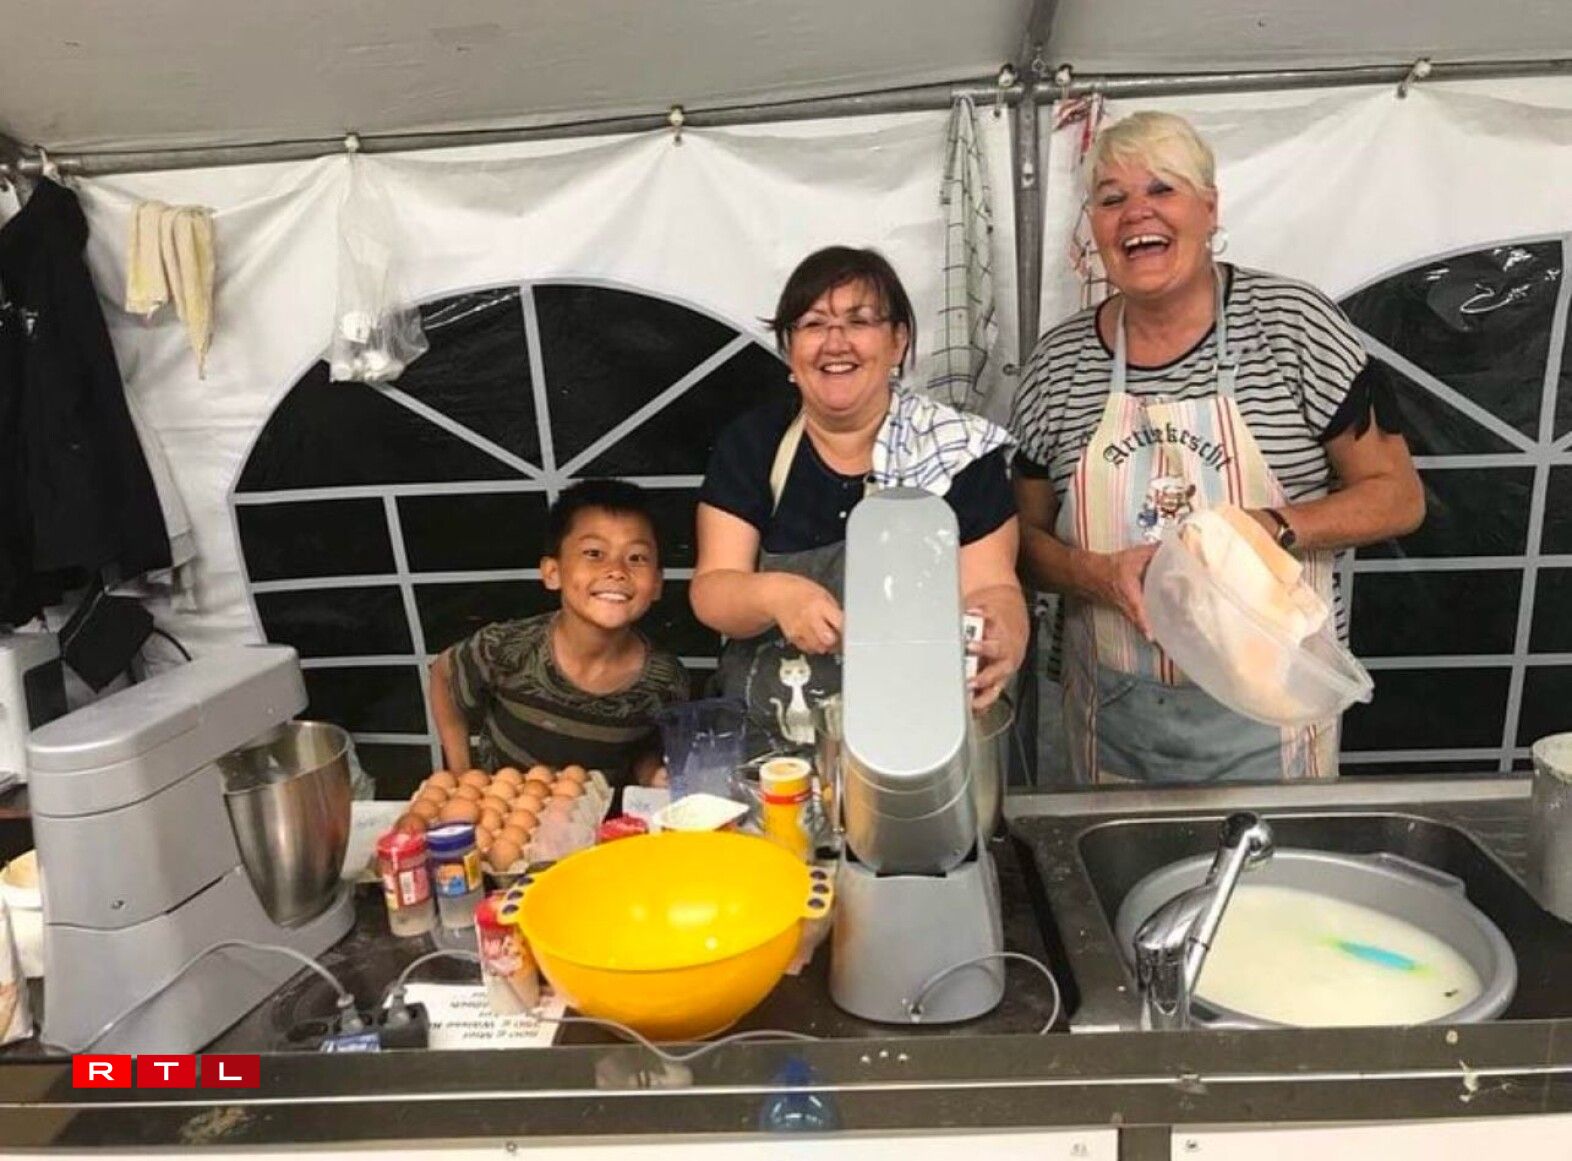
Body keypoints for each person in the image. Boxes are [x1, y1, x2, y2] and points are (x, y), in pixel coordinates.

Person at [1010, 111, 1425, 785]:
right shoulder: (1059, 365)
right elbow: (1019, 541)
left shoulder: (1292, 327)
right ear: (1093, 228)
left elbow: (1397, 497)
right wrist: (1095, 574)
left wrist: (1266, 529)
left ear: (1209, 208)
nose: (1136, 213)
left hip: (1275, 711)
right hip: (1114, 717)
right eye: (1111, 199)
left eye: (1162, 189)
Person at [692, 245, 1028, 754]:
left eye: (859, 321)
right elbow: (714, 591)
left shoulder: (958, 452)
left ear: (898, 341)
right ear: (789, 348)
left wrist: (1003, 636)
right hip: (771, 752)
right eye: (813, 324)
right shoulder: (754, 444)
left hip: (917, 747)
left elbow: (993, 587)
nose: (835, 342)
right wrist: (776, 595)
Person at [429, 479, 689, 788]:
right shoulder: (507, 648)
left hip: (604, 817)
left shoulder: (665, 680)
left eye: (636, 557)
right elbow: (443, 676)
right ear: (553, 573)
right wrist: (461, 775)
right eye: (594, 553)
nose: (617, 570)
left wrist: (651, 775)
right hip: (505, 811)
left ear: (657, 584)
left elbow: (646, 749)